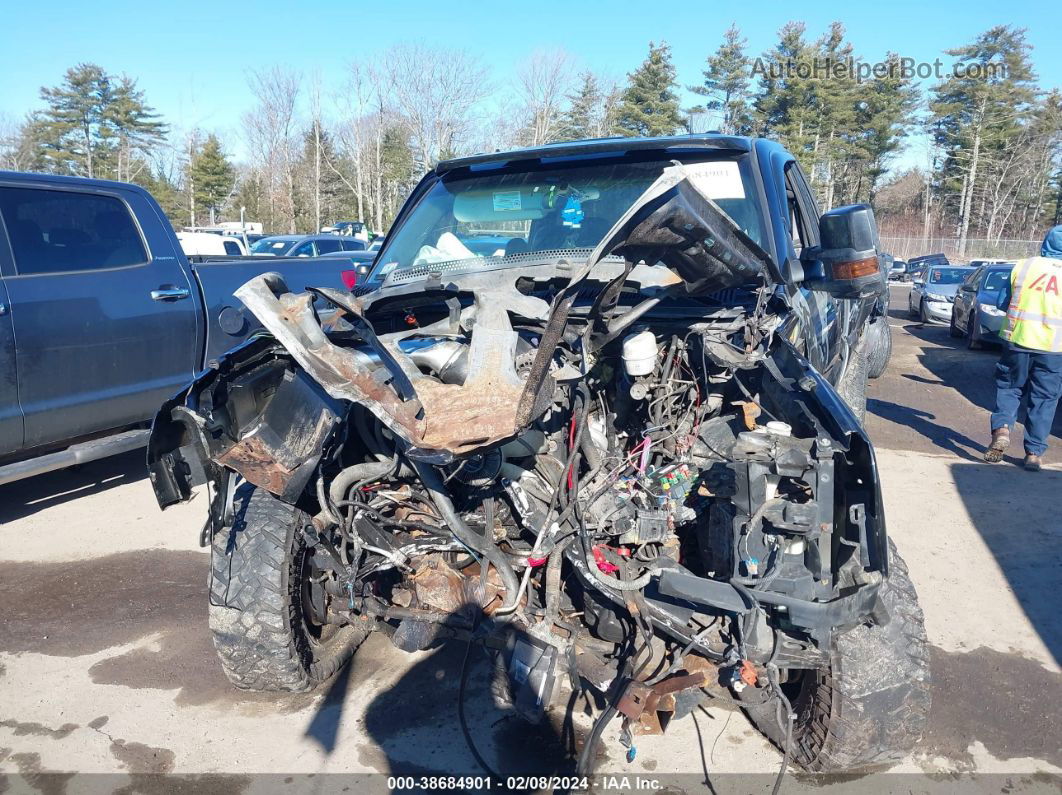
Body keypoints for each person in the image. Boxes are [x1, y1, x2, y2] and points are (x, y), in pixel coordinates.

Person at [984, 225, 1062, 471]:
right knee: (1044, 399)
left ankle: (1003, 429)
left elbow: (1001, 302)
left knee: (1009, 387)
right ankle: (1033, 454)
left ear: (1045, 243)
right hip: (1053, 348)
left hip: (1017, 340)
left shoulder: (1024, 266)